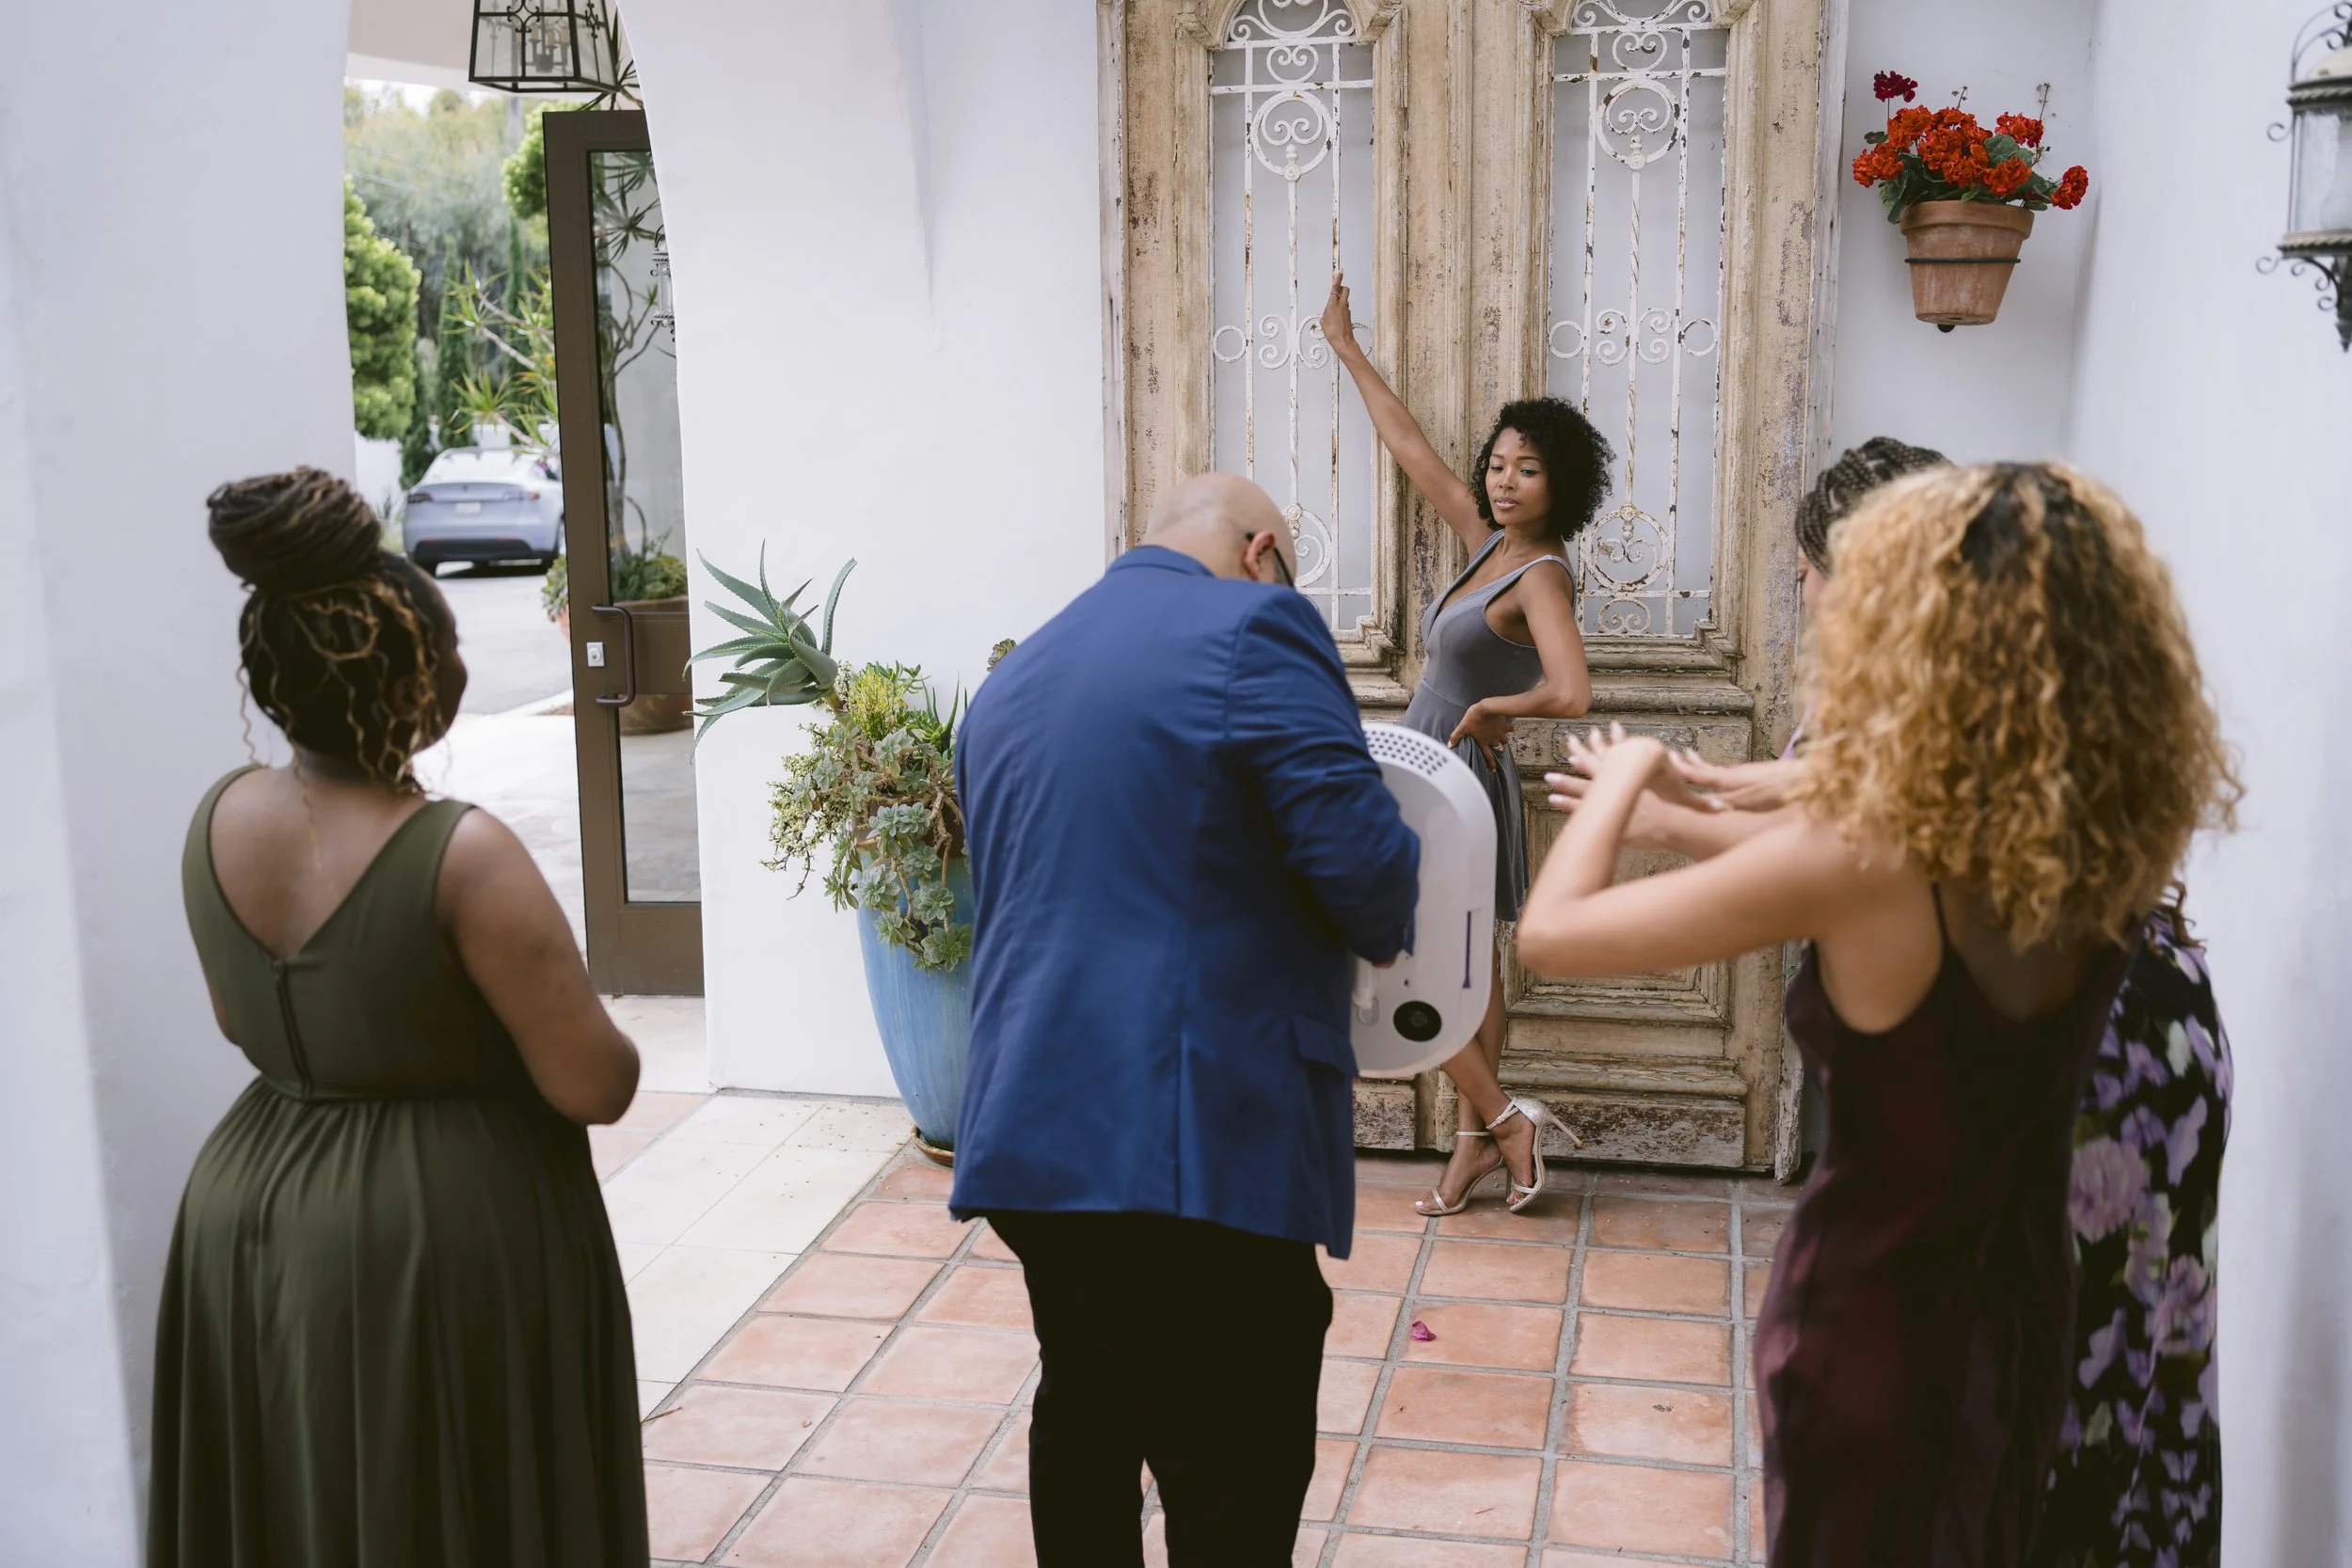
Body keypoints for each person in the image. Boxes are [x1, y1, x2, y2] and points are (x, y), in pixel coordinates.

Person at [1517, 463, 2236, 1567]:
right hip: (2018, 1312)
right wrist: (1748, 790)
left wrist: (1624, 773)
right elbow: (1844, 789)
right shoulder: (2094, 843)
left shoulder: (1872, 854)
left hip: (1881, 1328)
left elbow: (1552, 935)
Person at [150, 469, 647, 1567]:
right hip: (432, 1239)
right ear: (412, 679)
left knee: (304, 1506)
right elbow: (592, 1083)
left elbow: (241, 1020)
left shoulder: (218, 819)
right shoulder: (461, 852)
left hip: (247, 1219)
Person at [950, 472, 1421, 1568]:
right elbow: (1366, 880)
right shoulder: (1256, 621)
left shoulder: (1019, 673)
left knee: (1088, 1409)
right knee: (1233, 1467)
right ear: (1262, 550)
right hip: (1186, 1133)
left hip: (1030, 1128)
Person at [1321, 272, 1597, 1218]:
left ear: (1559, 481)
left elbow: (1571, 688)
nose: (1501, 478)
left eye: (1526, 467)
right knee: (1458, 966)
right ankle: (1477, 1140)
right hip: (1427, 770)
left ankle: (1502, 1121)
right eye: (1498, 463)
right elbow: (1410, 449)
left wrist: (1493, 714)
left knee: (1421, 960)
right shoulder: (1486, 544)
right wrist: (1348, 351)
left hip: (1463, 777)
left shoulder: (1543, 575)